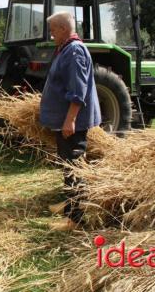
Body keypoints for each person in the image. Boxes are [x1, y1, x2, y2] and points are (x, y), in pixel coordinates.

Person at [40, 12, 101, 231]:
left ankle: (75, 220)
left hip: (72, 122)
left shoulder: (74, 51)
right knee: (67, 165)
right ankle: (69, 206)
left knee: (74, 167)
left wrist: (70, 120)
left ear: (64, 29)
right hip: (64, 120)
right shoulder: (66, 49)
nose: (51, 34)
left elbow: (78, 91)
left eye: (53, 30)